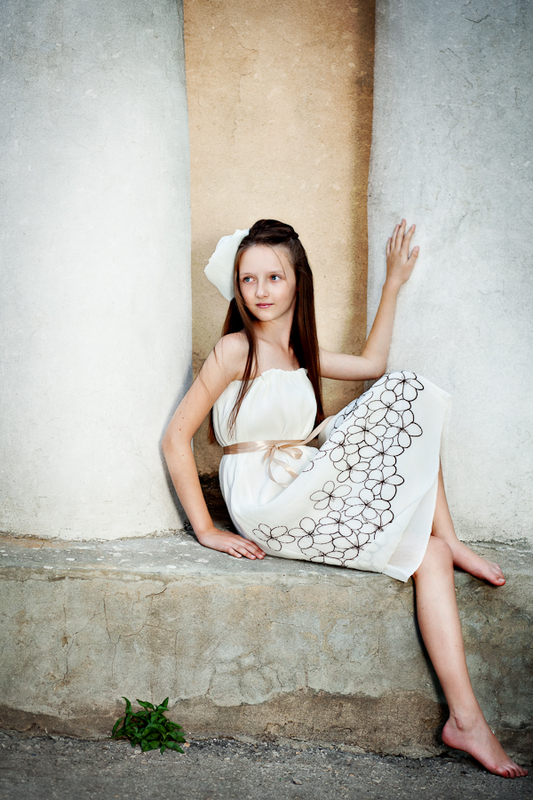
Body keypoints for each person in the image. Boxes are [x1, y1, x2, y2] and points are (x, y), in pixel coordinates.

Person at [163, 219, 527, 778]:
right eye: (248, 279)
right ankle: (449, 544)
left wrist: (392, 283)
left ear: (298, 281)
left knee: (407, 410)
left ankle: (466, 719)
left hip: (301, 481)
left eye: (274, 277)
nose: (260, 290)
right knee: (402, 397)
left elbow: (371, 366)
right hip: (266, 502)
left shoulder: (299, 352)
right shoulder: (236, 349)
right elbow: (175, 437)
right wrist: (207, 529)